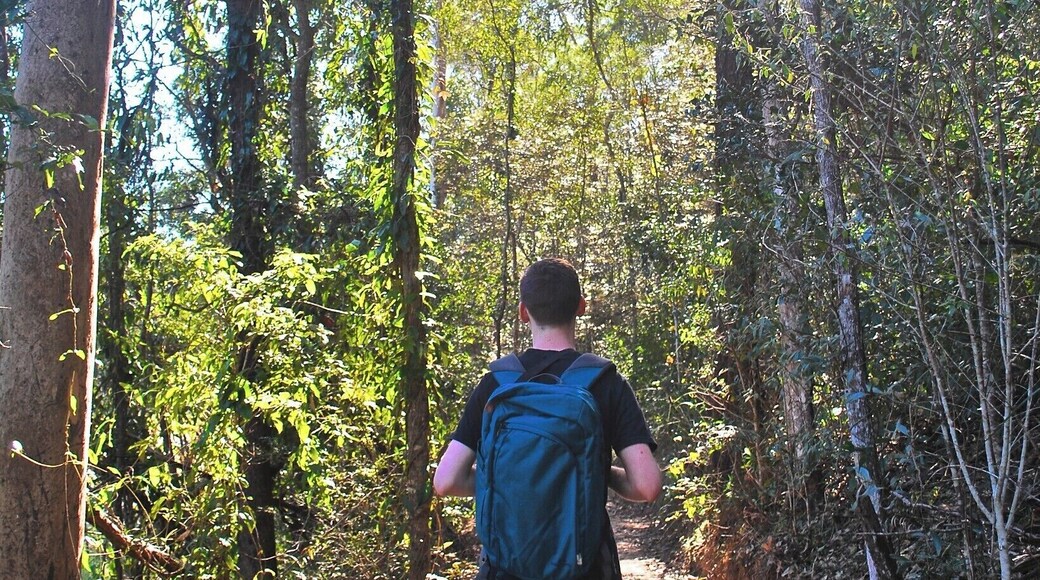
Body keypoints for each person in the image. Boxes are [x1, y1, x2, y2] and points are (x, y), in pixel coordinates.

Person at [433, 257, 662, 579]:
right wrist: (594, 471)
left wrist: (507, 474)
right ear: (580, 307)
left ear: (523, 311)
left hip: (504, 568)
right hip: (585, 568)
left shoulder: (497, 384)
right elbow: (647, 486)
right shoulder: (606, 382)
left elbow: (446, 482)